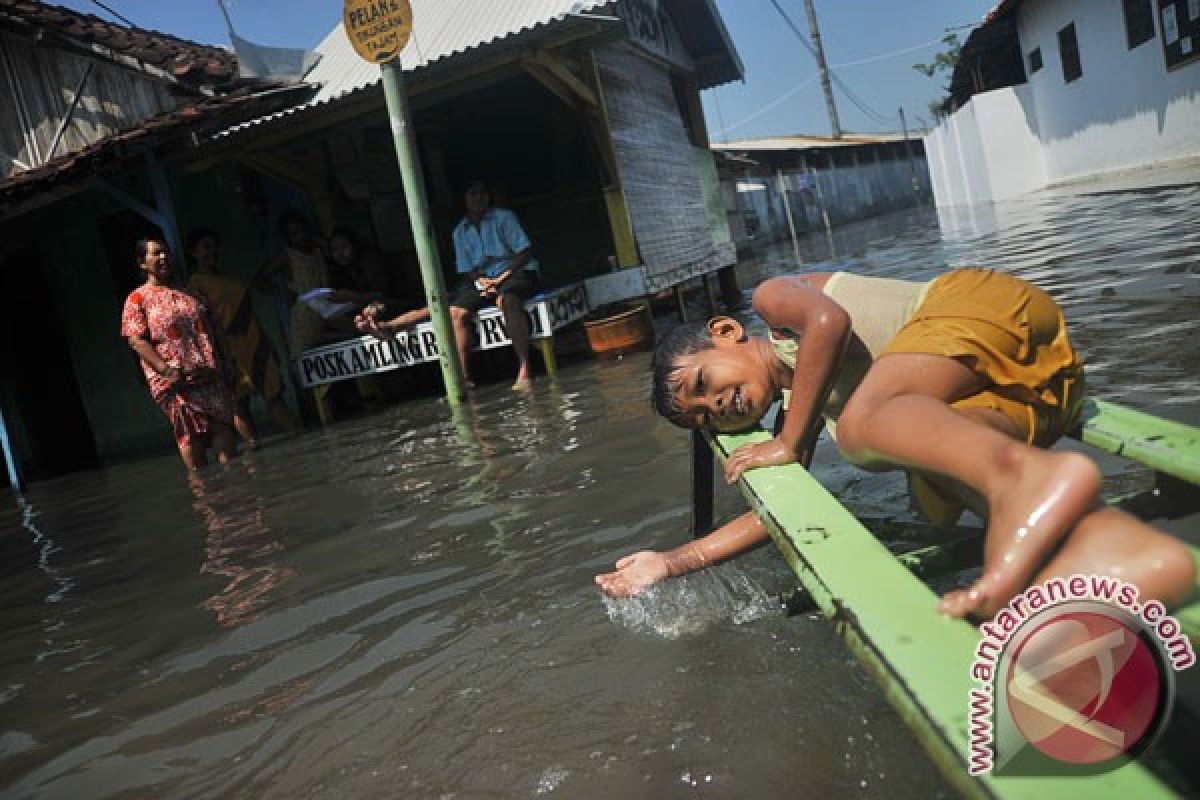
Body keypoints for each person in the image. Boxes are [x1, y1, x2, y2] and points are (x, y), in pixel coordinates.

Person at [595, 268, 1196, 619]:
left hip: (983, 308)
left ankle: (1045, 484)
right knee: (935, 491)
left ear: (726, 334)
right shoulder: (810, 415)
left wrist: (791, 441)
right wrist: (672, 561)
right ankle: (1115, 550)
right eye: (704, 420)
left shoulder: (775, 306)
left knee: (862, 429)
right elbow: (770, 516)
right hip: (1031, 379)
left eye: (704, 383)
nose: (716, 406)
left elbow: (830, 321)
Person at [121, 237, 238, 470]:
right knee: (190, 436)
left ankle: (235, 489)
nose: (163, 257)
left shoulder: (191, 293)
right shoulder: (137, 299)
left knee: (223, 428)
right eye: (155, 254)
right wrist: (165, 370)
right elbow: (136, 340)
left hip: (209, 375)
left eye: (165, 252)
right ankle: (205, 498)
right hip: (176, 382)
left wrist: (228, 362)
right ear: (142, 263)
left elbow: (215, 330)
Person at [186, 227, 298, 445]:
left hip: (255, 343)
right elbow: (202, 325)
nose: (212, 251)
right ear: (193, 252)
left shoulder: (227, 278)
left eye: (214, 246)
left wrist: (267, 343)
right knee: (240, 405)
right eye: (205, 247)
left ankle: (301, 443)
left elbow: (248, 313)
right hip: (228, 351)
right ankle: (254, 454)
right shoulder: (195, 285)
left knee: (274, 396)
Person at [449, 180, 540, 390]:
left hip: (516, 272)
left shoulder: (504, 217)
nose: (479, 198)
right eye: (473, 193)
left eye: (483, 193)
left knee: (507, 300)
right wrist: (481, 281)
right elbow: (466, 269)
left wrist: (499, 280)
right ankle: (463, 379)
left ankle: (525, 368)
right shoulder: (459, 232)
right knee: (456, 312)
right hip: (485, 280)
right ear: (464, 200)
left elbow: (524, 254)